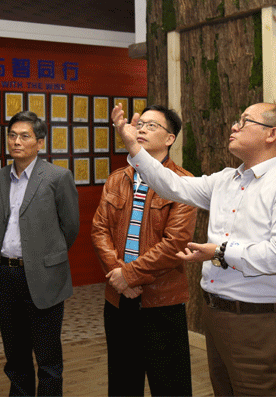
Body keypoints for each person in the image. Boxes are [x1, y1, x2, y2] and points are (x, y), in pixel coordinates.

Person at [112, 102, 276, 396]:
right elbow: (171, 185)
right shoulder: (226, 179)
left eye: (245, 121)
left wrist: (220, 252)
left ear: (272, 134)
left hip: (262, 321)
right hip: (217, 315)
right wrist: (134, 147)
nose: (234, 126)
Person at [91, 105, 197, 396]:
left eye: (152, 125)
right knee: (123, 383)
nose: (142, 129)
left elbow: (175, 243)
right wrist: (119, 275)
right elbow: (99, 230)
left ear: (170, 139)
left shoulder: (183, 183)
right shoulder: (117, 179)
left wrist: (129, 275)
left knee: (170, 386)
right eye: (140, 124)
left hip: (162, 300)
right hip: (118, 299)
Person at [0, 111, 80, 396]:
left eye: (24, 136)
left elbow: (70, 227)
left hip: (43, 276)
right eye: (12, 135)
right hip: (5, 276)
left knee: (48, 358)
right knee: (15, 357)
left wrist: (47, 257)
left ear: (40, 143)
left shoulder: (57, 177)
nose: (16, 141)